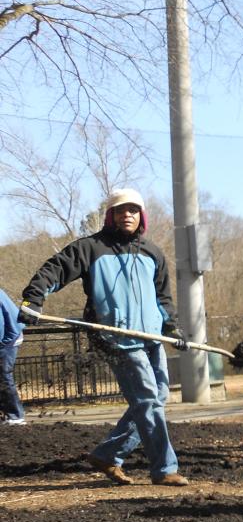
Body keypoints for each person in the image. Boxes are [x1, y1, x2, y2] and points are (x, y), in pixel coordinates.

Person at [18, 188, 189, 486]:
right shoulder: (91, 248)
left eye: (134, 210)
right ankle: (165, 469)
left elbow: (163, 297)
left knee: (157, 397)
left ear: (141, 216)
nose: (128, 215)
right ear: (110, 215)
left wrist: (172, 327)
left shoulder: (152, 253)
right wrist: (34, 299)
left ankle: (108, 455)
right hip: (113, 336)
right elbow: (54, 270)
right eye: (121, 210)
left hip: (149, 335)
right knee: (148, 399)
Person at [1, 288, 26, 425]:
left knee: (4, 375)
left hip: (10, 335)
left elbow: (0, 326)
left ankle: (16, 416)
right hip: (7, 333)